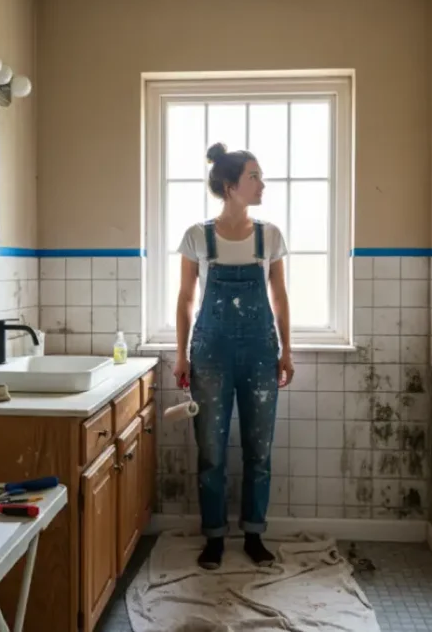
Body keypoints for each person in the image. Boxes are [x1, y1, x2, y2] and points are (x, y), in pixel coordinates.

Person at [172, 142, 295, 569]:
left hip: (261, 353)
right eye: (254, 176)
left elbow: (279, 296)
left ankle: (255, 535)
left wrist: (286, 351)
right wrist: (182, 355)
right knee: (211, 452)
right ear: (231, 186)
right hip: (210, 354)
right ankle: (214, 538)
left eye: (260, 176)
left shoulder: (270, 235)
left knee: (259, 450)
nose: (262, 183)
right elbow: (187, 299)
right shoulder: (197, 236)